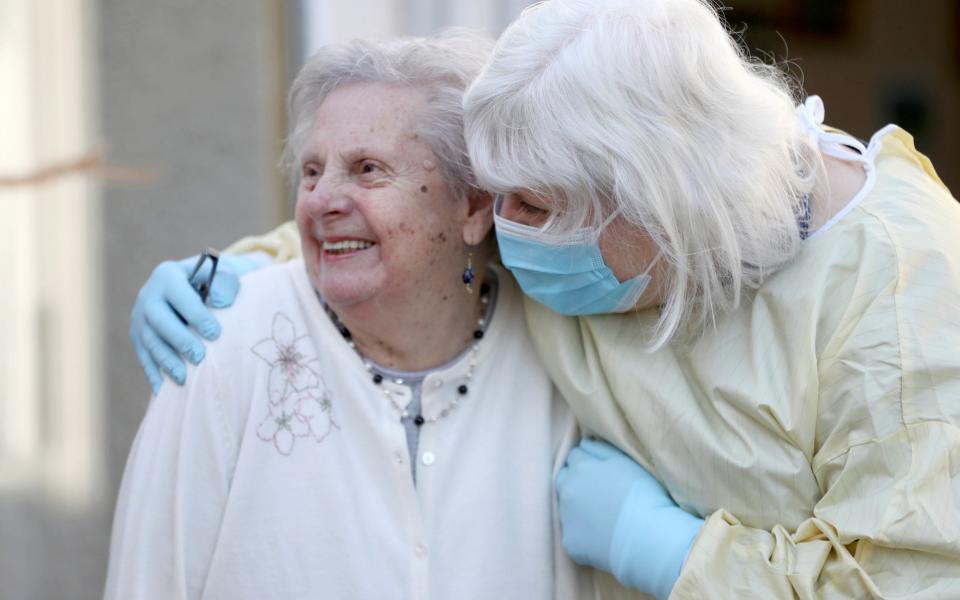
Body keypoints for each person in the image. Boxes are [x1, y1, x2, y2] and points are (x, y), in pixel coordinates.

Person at [131, 1, 960, 598]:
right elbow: (424, 221)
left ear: (660, 204)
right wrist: (247, 269)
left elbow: (906, 582)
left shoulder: (902, 293)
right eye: (497, 197)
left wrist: (671, 554)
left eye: (531, 206)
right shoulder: (581, 207)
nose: (503, 227)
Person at [106, 31, 598, 599]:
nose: (320, 201)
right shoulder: (222, 341)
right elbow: (147, 584)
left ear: (472, 205)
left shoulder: (555, 354)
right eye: (312, 172)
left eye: (367, 169)